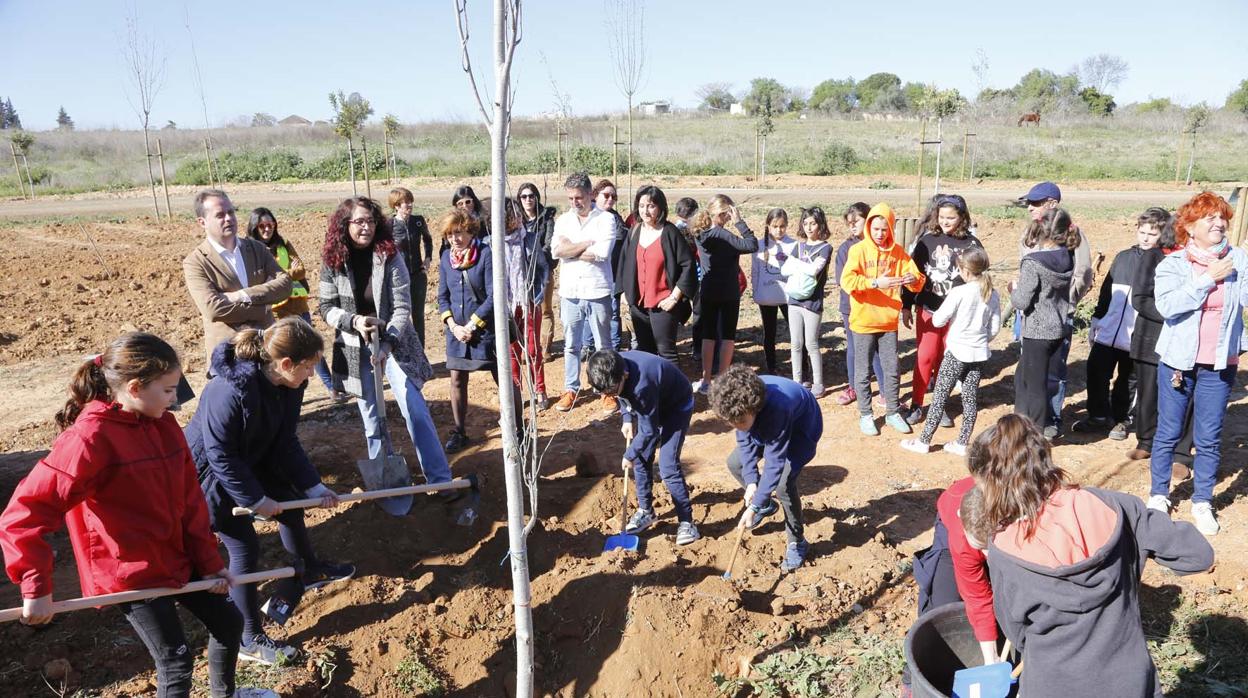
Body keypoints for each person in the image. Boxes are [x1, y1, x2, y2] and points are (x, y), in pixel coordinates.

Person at [0, 333, 245, 698]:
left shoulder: (163, 425)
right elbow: (24, 512)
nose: (175, 399)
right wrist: (35, 585)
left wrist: (208, 561)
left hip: (176, 555)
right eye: (167, 390)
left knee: (229, 623)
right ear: (134, 387)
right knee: (176, 662)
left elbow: (191, 502)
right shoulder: (88, 439)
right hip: (130, 572)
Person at [964, 414, 1214, 698]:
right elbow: (1199, 556)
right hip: (1127, 682)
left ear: (998, 486)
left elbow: (1017, 633)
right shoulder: (1116, 507)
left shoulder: (1005, 550)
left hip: (1053, 686)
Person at [186, 318, 354, 664]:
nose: (312, 376)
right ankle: (247, 637)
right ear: (286, 363)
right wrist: (256, 500)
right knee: (244, 547)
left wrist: (313, 485)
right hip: (209, 476)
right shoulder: (229, 390)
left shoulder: (290, 385)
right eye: (309, 367)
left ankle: (307, 571)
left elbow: (285, 440)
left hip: (254, 457)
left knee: (293, 503)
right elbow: (220, 455)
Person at [318, 196, 452, 486]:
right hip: (355, 346)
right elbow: (326, 307)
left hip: (395, 341)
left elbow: (402, 307)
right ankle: (387, 482)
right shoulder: (333, 260)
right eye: (359, 221)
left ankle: (439, 479)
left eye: (370, 221)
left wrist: (387, 343)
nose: (366, 227)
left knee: (414, 408)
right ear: (345, 225)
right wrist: (355, 322)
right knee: (372, 417)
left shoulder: (388, 254)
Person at [1147, 191, 1247, 535]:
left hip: (1219, 362)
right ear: (1189, 226)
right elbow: (1168, 306)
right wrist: (1208, 279)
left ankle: (1202, 501)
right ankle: (1159, 495)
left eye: (1222, 218)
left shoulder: (1240, 260)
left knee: (1209, 436)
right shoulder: (1173, 265)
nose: (1219, 223)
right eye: (1210, 218)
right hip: (1179, 361)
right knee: (1169, 432)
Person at [710, 365, 823, 572]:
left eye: (741, 421)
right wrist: (752, 482)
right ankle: (766, 505)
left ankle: (797, 542)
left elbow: (774, 462)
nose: (738, 426)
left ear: (754, 408)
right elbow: (744, 441)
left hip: (800, 430)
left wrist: (753, 506)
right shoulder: (737, 401)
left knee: (782, 485)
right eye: (732, 423)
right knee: (735, 463)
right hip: (764, 423)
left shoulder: (777, 407)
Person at [588, 350, 699, 544]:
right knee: (641, 458)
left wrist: (629, 453)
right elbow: (623, 396)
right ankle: (646, 511)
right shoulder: (611, 365)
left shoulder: (642, 385)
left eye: (612, 391)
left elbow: (650, 432)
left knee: (668, 466)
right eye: (604, 393)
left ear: (625, 375)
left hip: (676, 407)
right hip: (652, 404)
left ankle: (687, 523)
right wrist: (627, 418)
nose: (610, 395)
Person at [901, 248, 1001, 455]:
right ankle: (962, 443)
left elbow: (938, 320)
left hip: (956, 352)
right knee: (970, 398)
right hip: (978, 354)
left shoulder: (959, 292)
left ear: (964, 270)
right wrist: (981, 339)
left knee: (939, 397)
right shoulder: (992, 293)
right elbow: (994, 328)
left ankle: (924, 441)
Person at [839, 203, 925, 435]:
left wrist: (911, 278)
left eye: (884, 229)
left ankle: (893, 412)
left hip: (888, 322)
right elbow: (847, 282)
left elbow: (917, 278)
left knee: (892, 369)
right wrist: (876, 282)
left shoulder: (897, 253)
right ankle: (866, 414)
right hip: (863, 321)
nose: (879, 234)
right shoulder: (858, 251)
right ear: (868, 227)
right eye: (875, 228)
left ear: (891, 228)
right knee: (863, 371)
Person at [437, 208, 518, 451]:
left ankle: (518, 428)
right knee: (457, 380)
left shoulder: (485, 255)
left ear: (470, 231)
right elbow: (442, 297)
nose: (455, 239)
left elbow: (494, 296)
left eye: (459, 233)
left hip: (486, 332)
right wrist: (453, 326)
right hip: (457, 333)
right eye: (450, 235)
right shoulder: (445, 259)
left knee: (502, 378)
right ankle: (459, 431)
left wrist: (472, 325)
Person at [1017, 182, 1094, 438]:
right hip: (1035, 315)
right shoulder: (1032, 232)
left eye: (1036, 203)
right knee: (1028, 372)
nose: (1030, 207)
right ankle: (1031, 423)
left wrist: (1067, 300)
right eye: (1029, 202)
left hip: (1051, 315)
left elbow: (1083, 272)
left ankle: (1049, 421)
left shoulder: (1071, 234)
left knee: (1052, 373)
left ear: (1052, 203)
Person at [182, 189, 291, 369]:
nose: (228, 219)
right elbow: (213, 309)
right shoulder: (195, 262)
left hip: (268, 353)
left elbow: (285, 285)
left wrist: (243, 295)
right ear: (202, 222)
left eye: (231, 212)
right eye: (220, 215)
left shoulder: (256, 248)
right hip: (229, 358)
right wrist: (262, 307)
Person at [901, 194, 984, 426]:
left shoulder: (971, 245)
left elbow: (980, 280)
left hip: (957, 317)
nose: (946, 221)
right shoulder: (927, 242)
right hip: (929, 310)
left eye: (951, 217)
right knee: (925, 357)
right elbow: (913, 276)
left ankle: (940, 405)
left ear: (962, 218)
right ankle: (917, 404)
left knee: (948, 361)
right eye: (942, 216)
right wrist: (906, 305)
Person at [1076, 208, 1159, 438]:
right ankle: (1098, 416)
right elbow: (1106, 291)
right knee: (1096, 370)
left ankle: (1122, 419)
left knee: (1128, 379)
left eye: (1151, 234)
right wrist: (1096, 319)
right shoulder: (1123, 257)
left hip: (1137, 334)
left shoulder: (1161, 263)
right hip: (1109, 329)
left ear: (1162, 235)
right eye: (1142, 232)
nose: (1145, 238)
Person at [246, 206, 339, 400]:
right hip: (275, 311)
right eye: (261, 225)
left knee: (311, 347)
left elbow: (301, 271)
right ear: (254, 227)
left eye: (270, 224)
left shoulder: (284, 244)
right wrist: (287, 274)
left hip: (297, 306)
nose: (266, 229)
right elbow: (260, 279)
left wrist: (278, 278)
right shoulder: (251, 250)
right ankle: (285, 393)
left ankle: (331, 387)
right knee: (280, 354)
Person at [1127, 214, 1195, 469]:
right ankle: (1146, 441)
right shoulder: (1153, 257)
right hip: (1151, 337)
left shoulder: (1197, 260)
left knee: (1184, 393)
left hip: (1186, 339)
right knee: (1148, 392)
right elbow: (1141, 298)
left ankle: (1181, 452)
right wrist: (1170, 313)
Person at [550, 172, 618, 413]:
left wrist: (571, 248)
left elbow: (602, 253)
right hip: (570, 292)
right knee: (571, 344)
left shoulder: (606, 220)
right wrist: (585, 244)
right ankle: (571, 388)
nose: (574, 202)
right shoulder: (563, 221)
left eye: (578, 197)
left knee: (603, 344)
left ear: (590, 194)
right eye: (570, 198)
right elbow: (556, 251)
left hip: (597, 290)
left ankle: (607, 390)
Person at [615, 185, 697, 360]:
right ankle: (652, 387)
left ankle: (676, 388)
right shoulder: (635, 231)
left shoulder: (670, 232)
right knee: (645, 351)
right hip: (638, 303)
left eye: (651, 206)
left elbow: (687, 265)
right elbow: (624, 263)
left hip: (663, 304)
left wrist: (674, 297)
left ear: (660, 207)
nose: (646, 210)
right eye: (642, 205)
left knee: (666, 352)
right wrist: (623, 291)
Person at [1011, 208, 1075, 432]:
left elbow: (1021, 301)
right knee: (1023, 377)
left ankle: (1033, 433)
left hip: (1037, 331)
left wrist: (1013, 288)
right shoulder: (1067, 256)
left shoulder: (1033, 262)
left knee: (1033, 386)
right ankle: (1021, 424)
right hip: (1058, 327)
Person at [691, 194, 759, 393]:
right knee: (727, 335)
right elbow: (751, 245)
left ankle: (705, 380)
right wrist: (740, 223)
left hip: (708, 290)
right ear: (721, 213)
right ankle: (721, 379)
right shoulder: (721, 235)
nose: (729, 218)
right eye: (728, 214)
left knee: (708, 335)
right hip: (728, 291)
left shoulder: (701, 233)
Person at [497, 197, 551, 411]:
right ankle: (516, 392)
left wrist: (537, 295)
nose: (519, 219)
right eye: (513, 215)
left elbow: (542, 267)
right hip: (507, 305)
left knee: (532, 348)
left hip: (528, 301)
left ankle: (539, 389)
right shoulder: (494, 244)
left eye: (519, 214)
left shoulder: (529, 239)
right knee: (511, 349)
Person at [834, 202, 883, 406]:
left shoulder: (881, 246)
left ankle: (885, 390)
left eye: (857, 222)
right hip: (852, 307)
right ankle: (854, 387)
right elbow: (842, 280)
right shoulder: (846, 248)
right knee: (854, 348)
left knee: (877, 350)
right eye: (850, 223)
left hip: (877, 307)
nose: (853, 226)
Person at [783, 207, 835, 396]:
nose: (809, 227)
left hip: (812, 303)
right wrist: (802, 265)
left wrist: (798, 265)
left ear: (820, 224)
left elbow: (815, 270)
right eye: (805, 223)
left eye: (813, 223)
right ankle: (797, 381)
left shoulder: (825, 247)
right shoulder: (799, 246)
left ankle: (818, 383)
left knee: (811, 344)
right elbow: (785, 269)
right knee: (795, 343)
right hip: (794, 300)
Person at [581, 179, 627, 356]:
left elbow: (620, 242)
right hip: (589, 272)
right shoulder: (586, 216)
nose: (610, 199)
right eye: (606, 195)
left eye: (613, 197)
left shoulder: (616, 218)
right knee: (587, 312)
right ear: (594, 195)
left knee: (613, 313)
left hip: (613, 274)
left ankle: (613, 348)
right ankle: (587, 346)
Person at [751, 208, 797, 374]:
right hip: (766, 297)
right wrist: (756, 292)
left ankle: (800, 366)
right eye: (775, 226)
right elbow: (755, 270)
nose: (779, 230)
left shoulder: (793, 245)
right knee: (769, 332)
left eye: (783, 226)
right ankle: (771, 367)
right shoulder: (759, 245)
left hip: (787, 297)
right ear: (768, 226)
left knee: (796, 332)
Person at [517, 182, 559, 358]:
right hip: (520, 271)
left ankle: (545, 347)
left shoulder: (546, 218)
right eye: (524, 196)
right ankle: (527, 347)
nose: (528, 199)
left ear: (537, 198)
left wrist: (538, 258)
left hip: (542, 269)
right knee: (523, 310)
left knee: (544, 308)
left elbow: (549, 244)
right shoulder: (516, 219)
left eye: (531, 196)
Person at [389, 187, 435, 346]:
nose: (409, 205)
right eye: (404, 203)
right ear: (396, 206)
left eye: (410, 202)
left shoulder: (418, 221)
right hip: (399, 278)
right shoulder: (390, 225)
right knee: (401, 317)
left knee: (418, 316)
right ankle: (404, 352)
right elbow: (384, 248)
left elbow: (428, 240)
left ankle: (421, 353)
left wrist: (428, 258)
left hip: (417, 275)